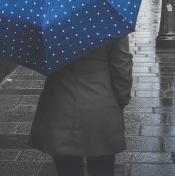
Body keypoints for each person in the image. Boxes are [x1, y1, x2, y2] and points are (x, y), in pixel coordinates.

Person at [29, 35, 133, 176]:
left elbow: (39, 55)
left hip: (59, 102)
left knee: (67, 167)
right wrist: (122, 98)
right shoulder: (111, 19)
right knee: (102, 166)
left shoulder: (50, 18)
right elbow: (122, 64)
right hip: (100, 101)